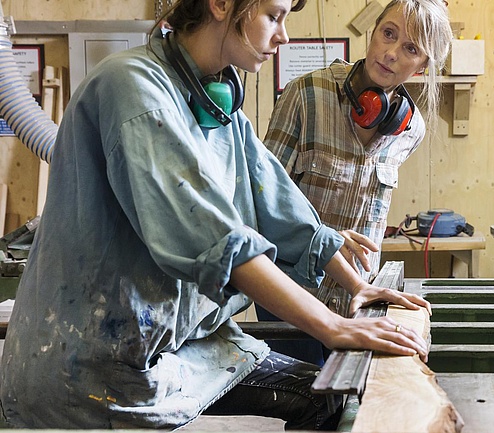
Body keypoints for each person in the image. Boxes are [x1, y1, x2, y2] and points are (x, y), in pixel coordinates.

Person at [0, 0, 432, 430]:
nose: (282, 36)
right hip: (90, 366)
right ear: (223, 4)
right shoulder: (133, 88)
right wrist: (333, 327)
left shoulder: (215, 103)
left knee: (324, 400)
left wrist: (359, 286)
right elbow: (218, 241)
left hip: (179, 347)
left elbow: (283, 209)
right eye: (274, 17)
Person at [261, 0, 452, 364]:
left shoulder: (411, 129)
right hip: (291, 287)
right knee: (307, 404)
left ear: (423, 65)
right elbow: (264, 199)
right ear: (374, 29)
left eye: (411, 48)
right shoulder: (306, 94)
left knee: (348, 404)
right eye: (388, 34)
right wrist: (323, 236)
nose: (392, 53)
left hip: (358, 295)